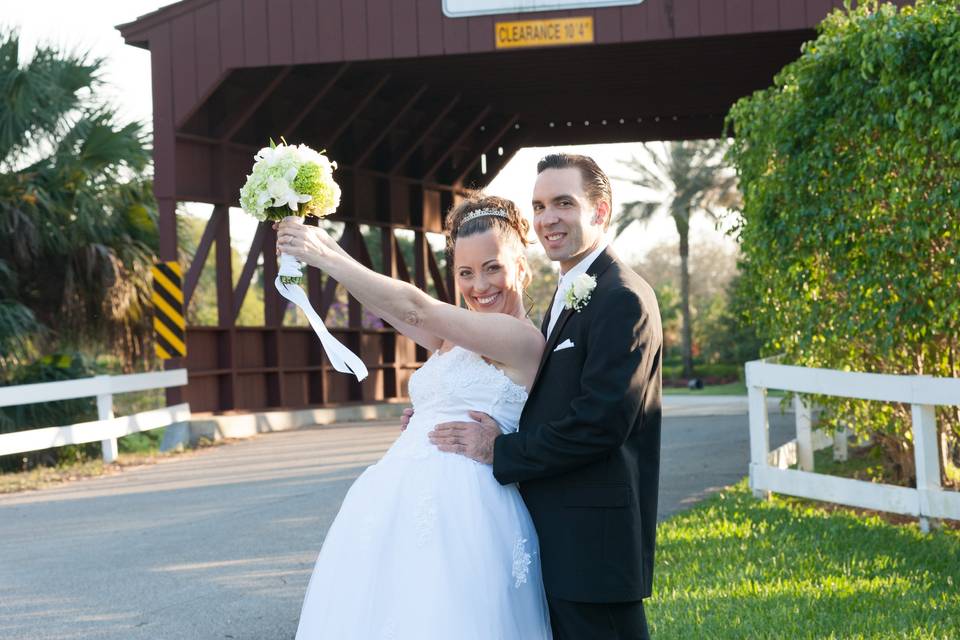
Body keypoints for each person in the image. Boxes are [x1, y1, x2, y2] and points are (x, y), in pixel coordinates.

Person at [276, 195, 553, 639]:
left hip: (466, 513)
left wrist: (323, 253)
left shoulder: (519, 338)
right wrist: (323, 251)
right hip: (395, 504)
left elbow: (417, 308)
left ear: (522, 266)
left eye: (492, 267)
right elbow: (390, 307)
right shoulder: (454, 336)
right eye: (465, 273)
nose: (479, 285)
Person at [428, 154, 663, 640]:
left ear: (599, 211)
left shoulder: (622, 297)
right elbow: (546, 400)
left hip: (594, 546)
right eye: (538, 205)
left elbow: (600, 424)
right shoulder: (569, 291)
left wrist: (500, 449)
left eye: (563, 203)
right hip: (557, 536)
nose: (548, 218)